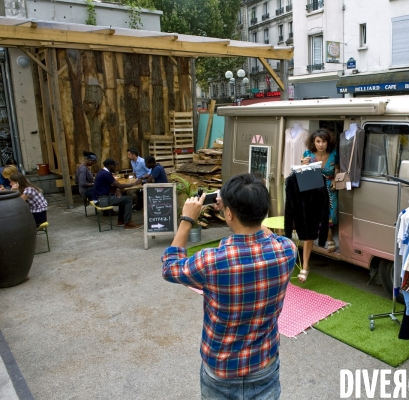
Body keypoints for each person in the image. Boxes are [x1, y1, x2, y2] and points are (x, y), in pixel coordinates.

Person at [161, 173, 296, 399]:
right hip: (264, 365)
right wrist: (247, 213)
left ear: (229, 213)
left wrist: (187, 220)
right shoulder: (286, 251)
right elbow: (265, 235)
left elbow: (170, 268)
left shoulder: (211, 261)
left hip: (221, 369)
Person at [299, 128, 340, 281]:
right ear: (313, 142)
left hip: (329, 188)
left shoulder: (334, 154)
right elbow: (302, 175)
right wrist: (303, 165)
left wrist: (336, 179)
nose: (320, 144)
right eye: (318, 141)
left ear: (327, 142)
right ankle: (305, 266)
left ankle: (329, 237)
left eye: (323, 141)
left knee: (330, 215)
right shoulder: (307, 155)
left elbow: (337, 169)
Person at [93, 158, 142, 229]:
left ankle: (121, 220)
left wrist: (117, 189)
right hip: (102, 200)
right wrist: (134, 183)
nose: (116, 167)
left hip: (101, 197)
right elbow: (120, 185)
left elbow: (115, 185)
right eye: (114, 165)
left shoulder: (102, 171)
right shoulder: (106, 174)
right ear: (110, 166)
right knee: (128, 199)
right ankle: (128, 223)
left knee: (123, 197)